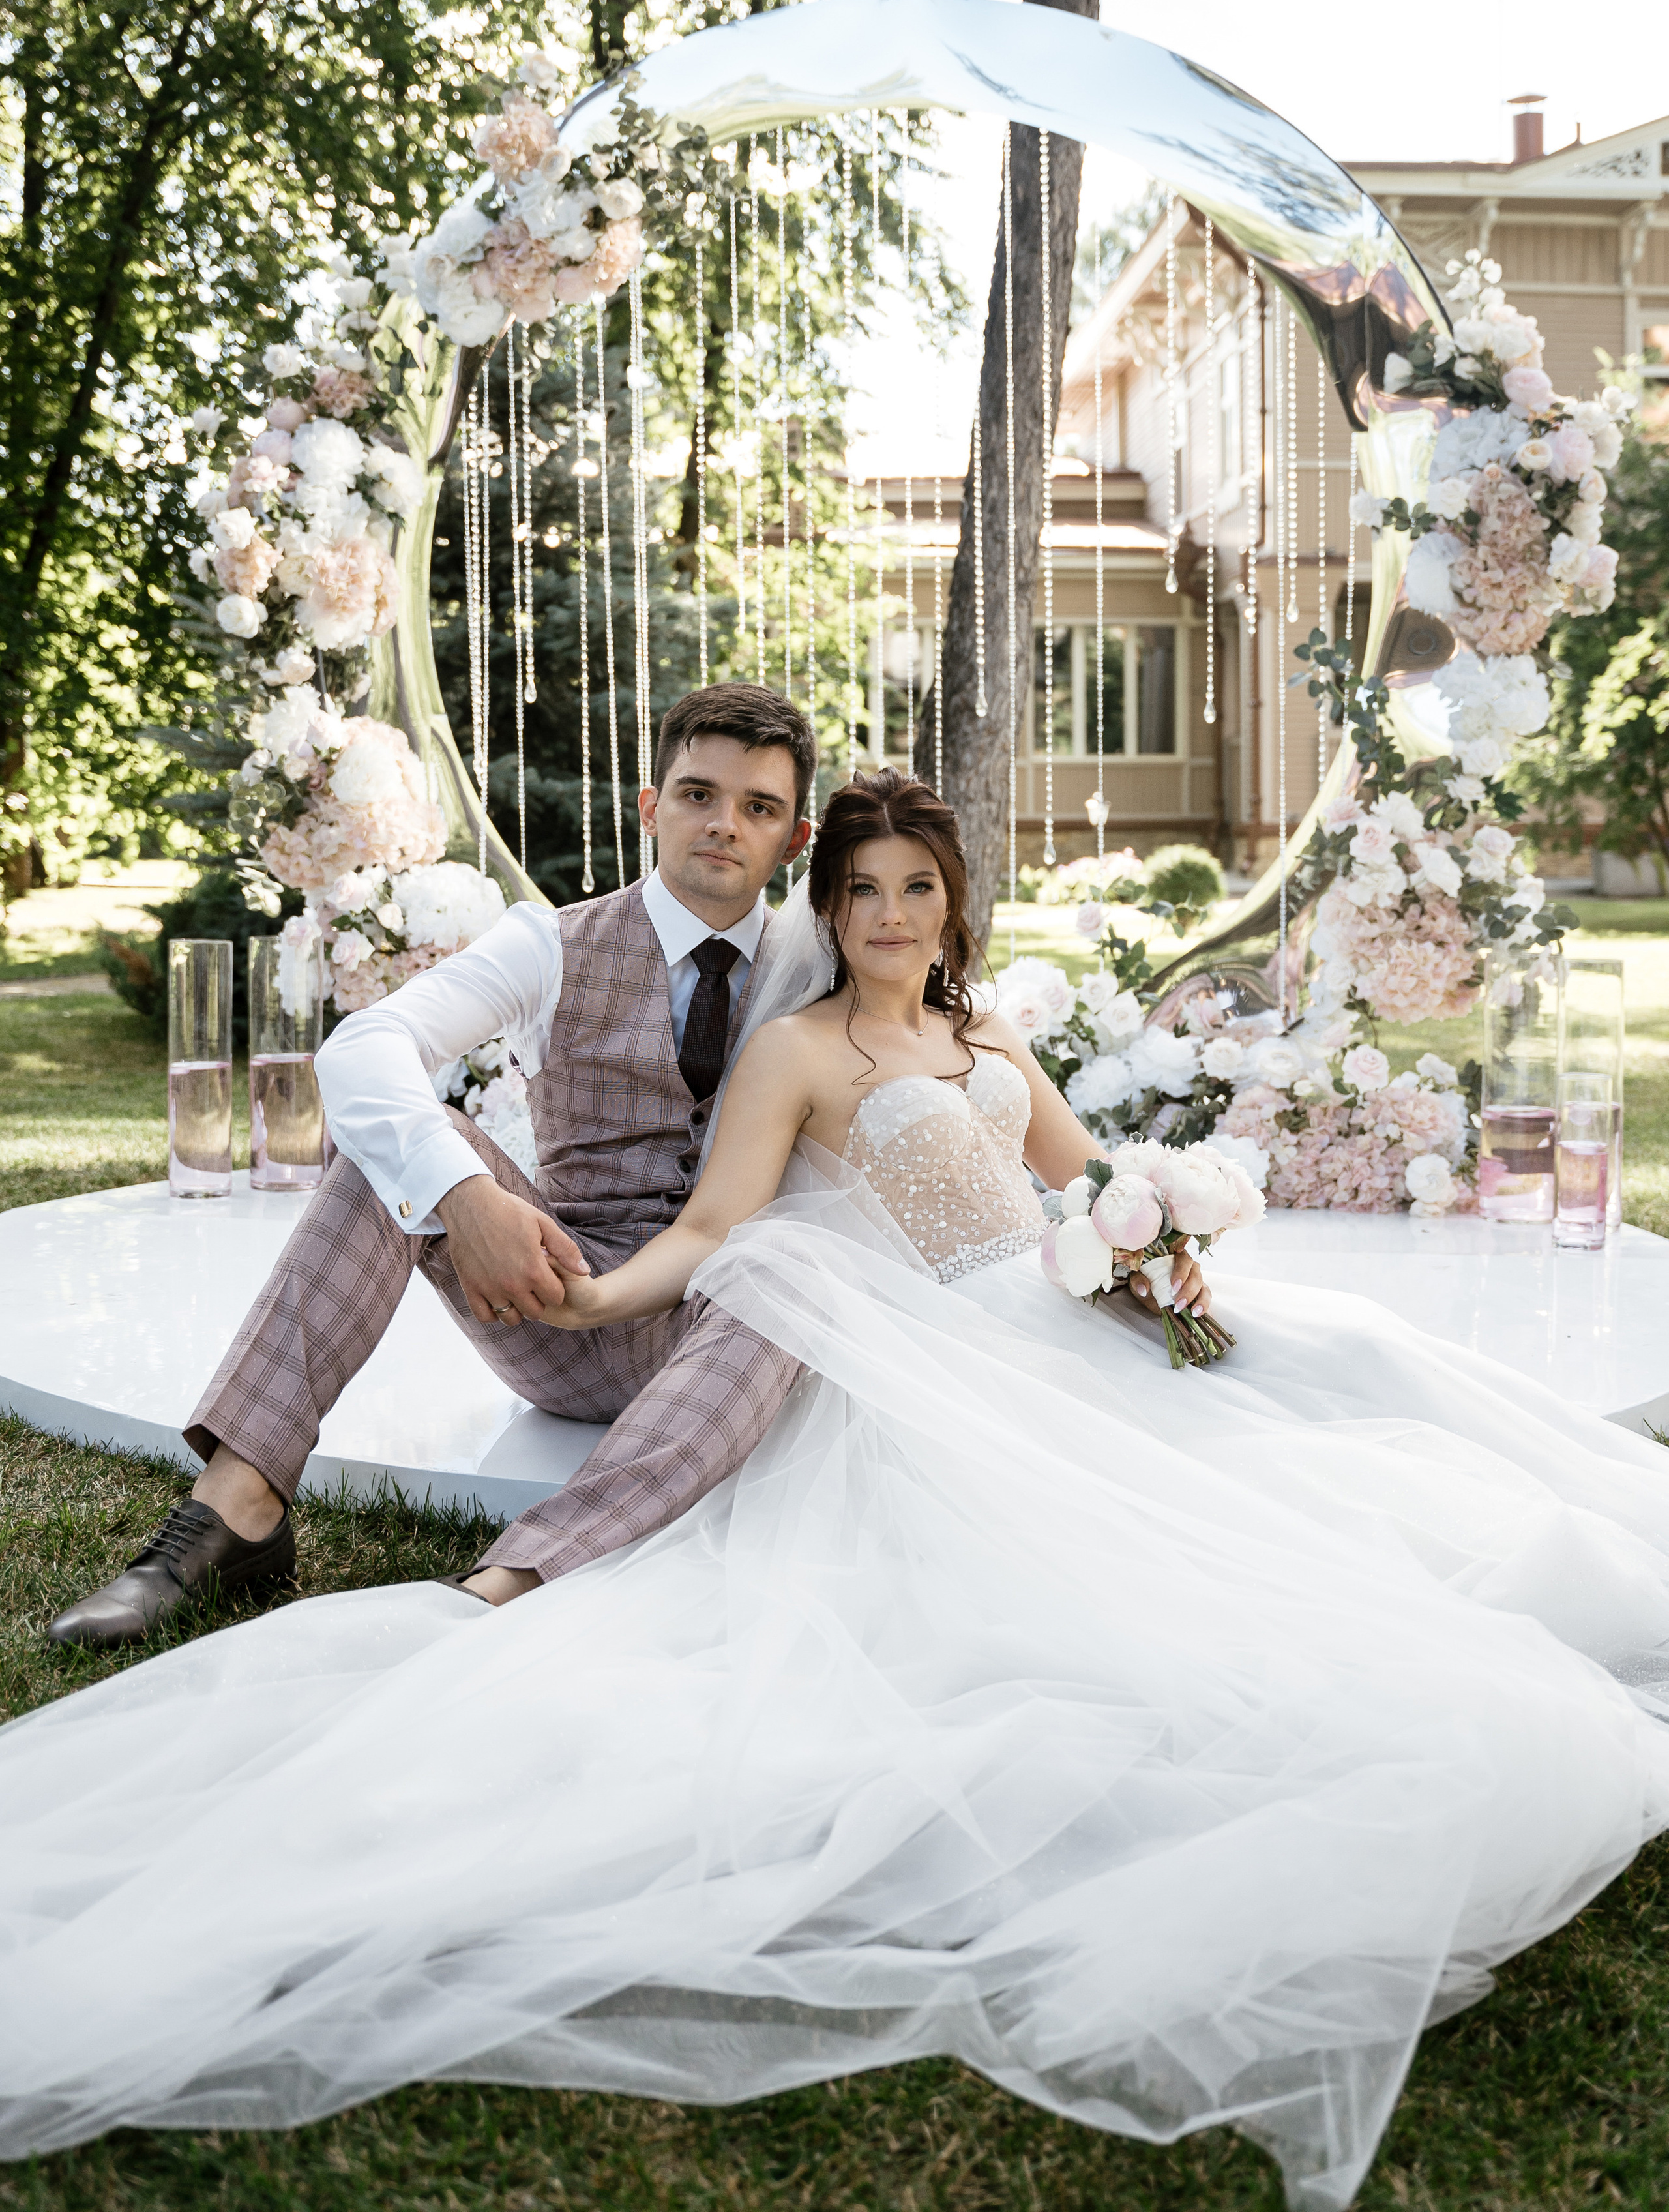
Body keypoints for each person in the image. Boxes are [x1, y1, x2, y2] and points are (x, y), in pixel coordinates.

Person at [8, 768, 1669, 2212]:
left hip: (1033, 1315)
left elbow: (1080, 1179)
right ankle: (312, 1523)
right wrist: (568, 1281)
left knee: (1345, 1412)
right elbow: (723, 1227)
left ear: (938, 900)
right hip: (776, 1316)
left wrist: (1152, 1240)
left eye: (909, 887)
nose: (881, 910)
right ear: (683, 818)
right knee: (768, 1286)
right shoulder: (743, 1022)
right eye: (856, 888)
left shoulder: (972, 1020)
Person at [46, 681, 836, 1646]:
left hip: (739, 1338)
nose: (723, 825)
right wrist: (465, 1196)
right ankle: (236, 1509)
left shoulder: (821, 970)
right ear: (650, 806)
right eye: (697, 794)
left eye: (758, 808)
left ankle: (509, 1579)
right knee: (406, 1150)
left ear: (795, 840)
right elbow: (363, 1047)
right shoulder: (548, 942)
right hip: (561, 1304)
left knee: (794, 1269)